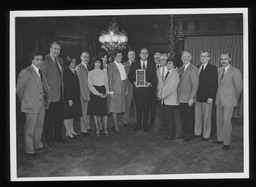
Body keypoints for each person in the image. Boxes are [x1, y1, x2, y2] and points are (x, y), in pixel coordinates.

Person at [16, 51, 49, 157]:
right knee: (30, 128)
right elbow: (19, 90)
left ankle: (37, 144)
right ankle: (29, 149)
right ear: (32, 60)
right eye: (37, 59)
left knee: (39, 126)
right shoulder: (26, 72)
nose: (39, 62)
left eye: (41, 60)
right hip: (30, 105)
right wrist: (26, 101)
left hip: (41, 104)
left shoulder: (41, 71)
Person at [214, 52, 243, 150]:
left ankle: (226, 142)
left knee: (227, 121)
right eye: (222, 59)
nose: (223, 61)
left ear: (230, 59)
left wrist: (235, 98)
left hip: (229, 100)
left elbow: (239, 88)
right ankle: (220, 138)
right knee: (219, 121)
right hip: (219, 99)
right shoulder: (219, 70)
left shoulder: (236, 71)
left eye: (225, 59)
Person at [41, 41, 67, 147]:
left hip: (60, 94)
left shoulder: (60, 60)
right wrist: (46, 96)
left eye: (59, 49)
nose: (57, 51)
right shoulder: (45, 60)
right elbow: (43, 79)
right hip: (50, 95)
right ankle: (49, 139)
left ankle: (58, 136)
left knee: (58, 117)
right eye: (55, 49)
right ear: (50, 48)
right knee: (48, 119)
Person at [128, 47, 157, 132]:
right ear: (139, 54)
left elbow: (155, 77)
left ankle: (145, 126)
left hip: (148, 90)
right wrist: (134, 82)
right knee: (138, 108)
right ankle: (138, 125)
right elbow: (130, 75)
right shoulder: (134, 64)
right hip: (137, 90)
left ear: (148, 55)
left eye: (146, 53)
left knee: (146, 108)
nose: (144, 54)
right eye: (142, 53)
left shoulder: (152, 64)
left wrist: (150, 83)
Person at [194, 51, 218, 141]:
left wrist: (211, 97)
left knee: (207, 117)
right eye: (201, 56)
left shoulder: (212, 68)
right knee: (197, 116)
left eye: (205, 56)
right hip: (197, 97)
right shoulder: (196, 67)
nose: (202, 58)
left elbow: (214, 84)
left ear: (209, 58)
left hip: (207, 98)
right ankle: (197, 133)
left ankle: (206, 135)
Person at [177, 50, 199, 142]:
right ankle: (183, 132)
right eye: (183, 57)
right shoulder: (179, 69)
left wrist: (191, 98)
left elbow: (195, 85)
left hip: (189, 98)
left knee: (189, 117)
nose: (185, 58)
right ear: (181, 58)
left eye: (187, 56)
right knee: (182, 116)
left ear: (190, 58)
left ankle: (189, 135)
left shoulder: (193, 69)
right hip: (181, 98)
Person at [157, 58, 179, 140]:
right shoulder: (168, 73)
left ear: (174, 65)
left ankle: (171, 134)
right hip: (165, 99)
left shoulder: (175, 73)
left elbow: (172, 88)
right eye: (167, 63)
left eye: (170, 63)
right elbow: (164, 85)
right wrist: (160, 93)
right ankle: (166, 133)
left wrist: (162, 95)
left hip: (170, 99)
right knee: (165, 118)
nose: (168, 65)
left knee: (170, 118)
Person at [87, 56, 110, 136]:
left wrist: (107, 92)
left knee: (104, 112)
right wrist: (97, 93)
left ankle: (105, 128)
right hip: (95, 93)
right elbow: (90, 85)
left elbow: (107, 83)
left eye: (99, 62)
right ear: (93, 63)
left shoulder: (104, 72)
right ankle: (97, 128)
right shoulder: (90, 73)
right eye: (96, 62)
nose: (97, 64)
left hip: (103, 91)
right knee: (95, 112)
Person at [63, 55, 82, 139]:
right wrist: (69, 99)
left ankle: (71, 130)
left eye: (74, 61)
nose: (74, 63)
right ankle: (67, 131)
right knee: (67, 115)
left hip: (75, 96)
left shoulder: (74, 71)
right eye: (72, 62)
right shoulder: (66, 71)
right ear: (68, 63)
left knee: (72, 114)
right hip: (68, 97)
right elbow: (66, 86)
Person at [108, 49, 127, 133]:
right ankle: (115, 126)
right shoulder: (111, 65)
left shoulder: (122, 65)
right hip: (115, 89)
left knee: (119, 107)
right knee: (114, 108)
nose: (121, 57)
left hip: (122, 88)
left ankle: (115, 124)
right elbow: (110, 79)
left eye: (121, 55)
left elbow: (124, 78)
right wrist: (111, 92)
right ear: (114, 57)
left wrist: (126, 89)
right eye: (119, 56)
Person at [75, 52, 91, 136]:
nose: (86, 58)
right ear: (81, 57)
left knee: (88, 112)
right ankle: (83, 129)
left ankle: (87, 126)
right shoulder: (79, 67)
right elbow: (80, 82)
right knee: (83, 112)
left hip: (89, 92)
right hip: (83, 93)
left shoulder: (87, 66)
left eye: (88, 57)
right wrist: (83, 95)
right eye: (84, 57)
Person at [123, 50, 136, 127]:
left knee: (137, 105)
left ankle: (137, 120)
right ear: (128, 56)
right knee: (127, 105)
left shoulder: (138, 64)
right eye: (130, 55)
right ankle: (125, 121)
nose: (132, 56)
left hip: (137, 87)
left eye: (133, 55)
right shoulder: (123, 65)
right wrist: (125, 88)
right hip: (128, 87)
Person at [149, 52, 161, 129]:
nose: (156, 59)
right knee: (152, 108)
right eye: (155, 58)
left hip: (161, 92)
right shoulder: (151, 66)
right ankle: (151, 123)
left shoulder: (165, 67)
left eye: (158, 58)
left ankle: (161, 125)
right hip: (152, 91)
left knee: (161, 110)